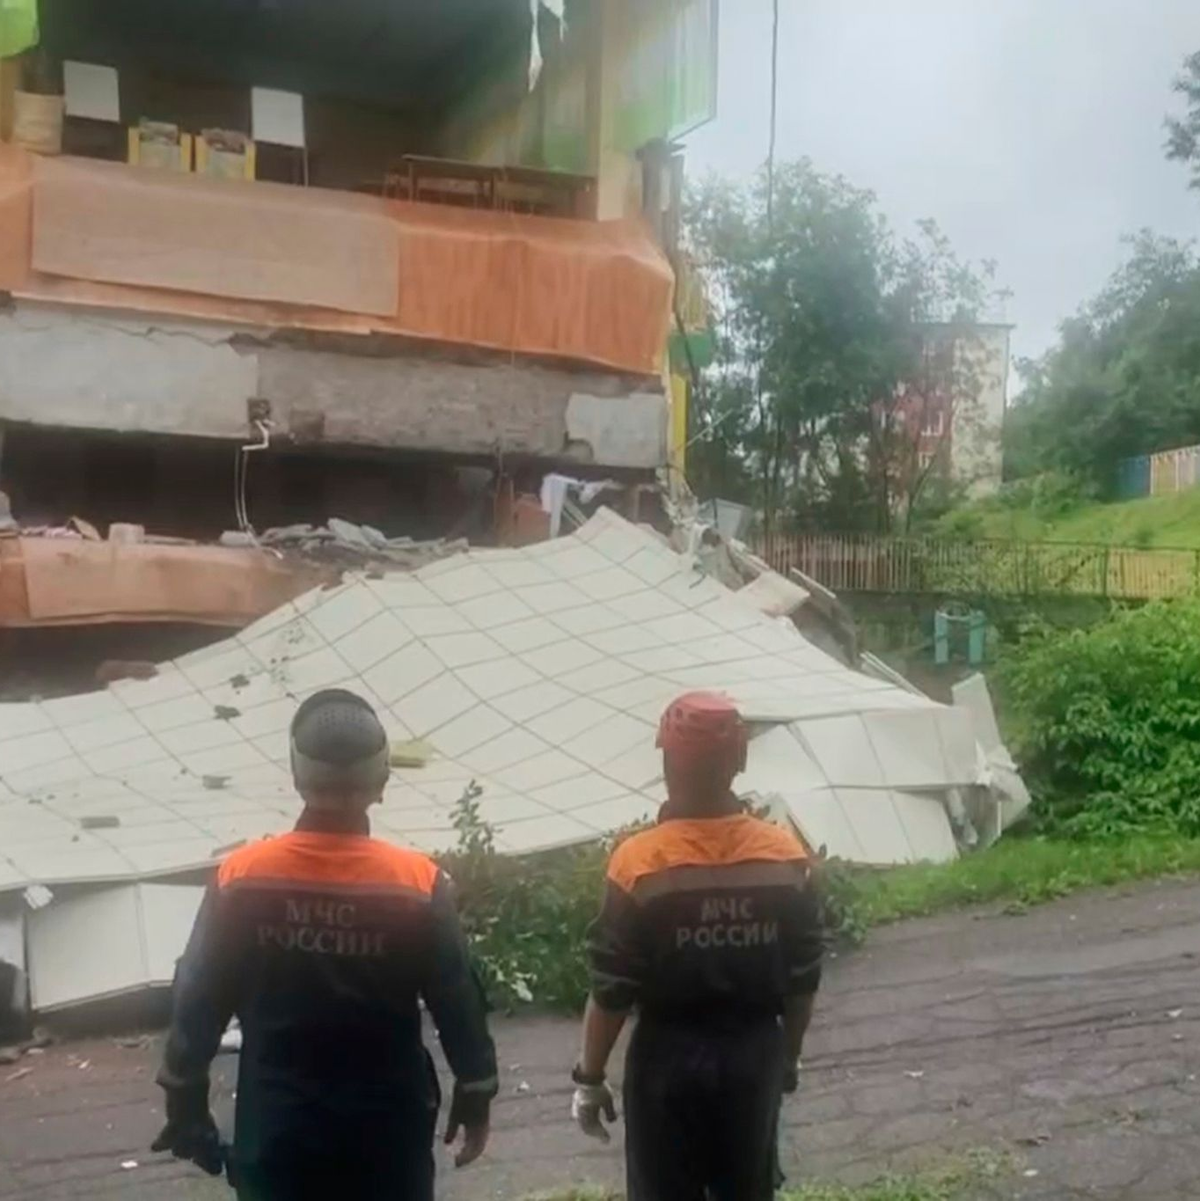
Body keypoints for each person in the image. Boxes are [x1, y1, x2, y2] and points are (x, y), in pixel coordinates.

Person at [151, 688, 498, 1201]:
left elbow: (198, 995)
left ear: (297, 775)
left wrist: (185, 1099)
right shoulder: (416, 883)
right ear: (381, 780)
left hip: (279, 1130)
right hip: (387, 1136)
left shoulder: (243, 877)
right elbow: (457, 999)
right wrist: (476, 1090)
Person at [571, 691, 824, 1201]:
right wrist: (788, 1058)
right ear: (738, 761)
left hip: (666, 1061)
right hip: (753, 1053)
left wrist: (590, 1077)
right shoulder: (785, 856)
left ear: (667, 762)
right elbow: (803, 976)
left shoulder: (638, 863)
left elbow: (612, 988)